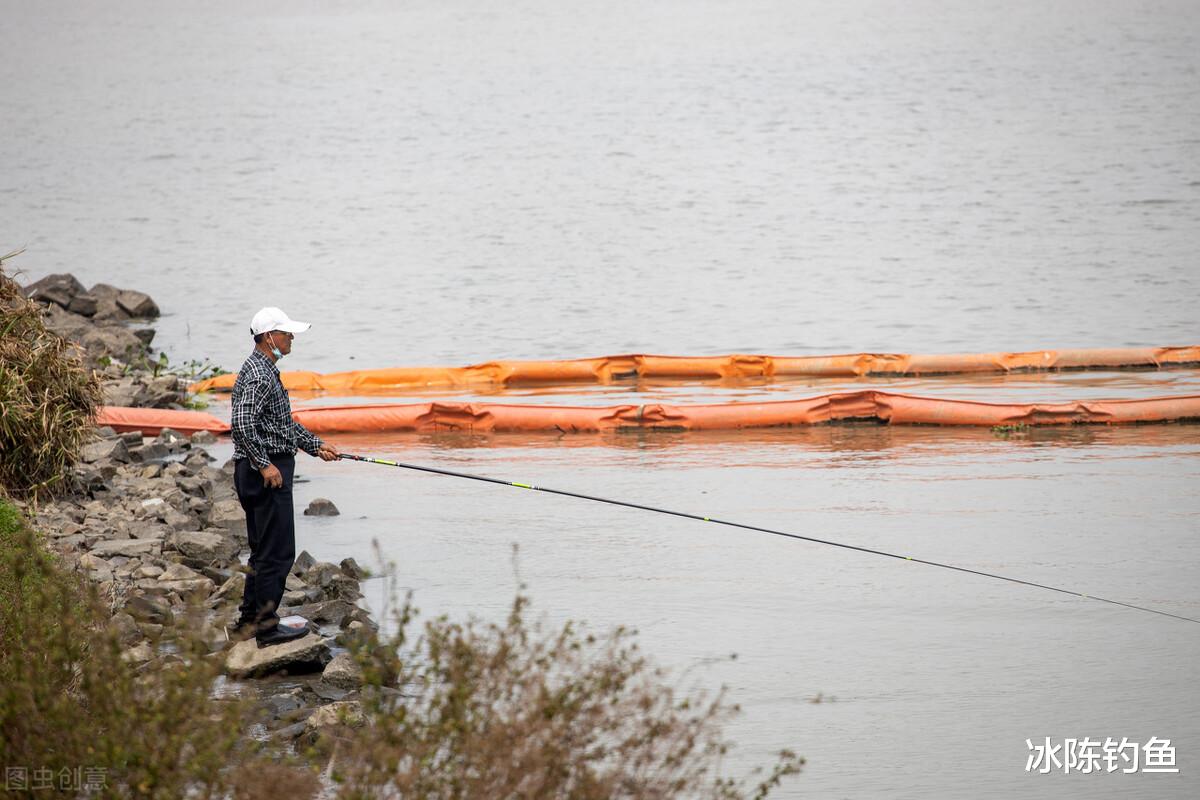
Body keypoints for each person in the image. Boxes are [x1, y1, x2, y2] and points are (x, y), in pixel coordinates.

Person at [228, 306, 340, 647]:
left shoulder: (260, 368)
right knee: (278, 552)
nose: (291, 338)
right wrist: (265, 464)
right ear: (268, 338)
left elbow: (280, 424)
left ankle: (249, 622)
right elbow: (243, 424)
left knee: (262, 550)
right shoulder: (262, 375)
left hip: (257, 470)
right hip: (265, 474)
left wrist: (314, 445)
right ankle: (265, 626)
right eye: (286, 333)